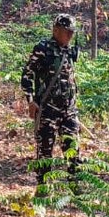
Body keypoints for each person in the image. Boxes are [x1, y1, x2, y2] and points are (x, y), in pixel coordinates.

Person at [21, 14, 80, 184]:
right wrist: (30, 100)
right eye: (66, 32)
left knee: (73, 149)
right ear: (55, 30)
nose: (70, 36)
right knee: (45, 152)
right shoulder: (43, 48)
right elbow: (27, 75)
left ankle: (75, 187)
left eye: (72, 33)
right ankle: (43, 188)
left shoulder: (70, 50)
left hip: (69, 110)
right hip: (47, 110)